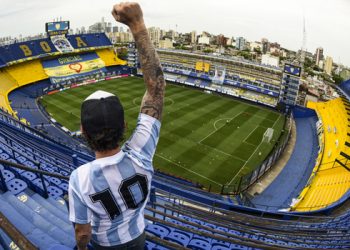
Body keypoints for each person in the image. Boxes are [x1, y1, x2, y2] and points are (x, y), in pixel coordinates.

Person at [68, 2, 166, 249]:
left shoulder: (80, 179)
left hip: (105, 245)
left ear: (83, 130)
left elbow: (82, 232)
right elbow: (156, 89)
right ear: (123, 124)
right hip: (137, 237)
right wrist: (137, 24)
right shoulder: (141, 153)